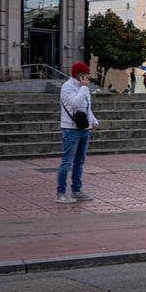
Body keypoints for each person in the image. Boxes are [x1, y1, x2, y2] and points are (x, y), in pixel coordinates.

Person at [58, 61, 100, 203]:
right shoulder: (67, 87)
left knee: (79, 162)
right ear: (79, 75)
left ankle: (76, 190)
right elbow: (75, 103)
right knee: (66, 162)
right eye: (85, 74)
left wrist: (93, 120)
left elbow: (86, 107)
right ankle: (61, 193)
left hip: (84, 129)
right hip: (71, 129)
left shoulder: (84, 88)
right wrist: (83, 88)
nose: (87, 77)